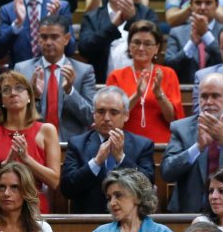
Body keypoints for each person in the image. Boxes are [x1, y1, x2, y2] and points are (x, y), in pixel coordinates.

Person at [161, 72, 223, 213]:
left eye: (215, 96)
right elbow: (167, 172)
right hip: (189, 212)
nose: (208, 102)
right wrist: (198, 147)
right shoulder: (181, 128)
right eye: (204, 96)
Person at [61, 86, 155, 215]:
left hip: (130, 219)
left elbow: (147, 186)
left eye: (114, 112)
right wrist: (96, 162)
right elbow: (67, 189)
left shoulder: (143, 145)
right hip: (88, 220)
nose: (106, 118)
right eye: (100, 111)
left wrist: (121, 158)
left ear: (126, 115)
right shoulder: (77, 144)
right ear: (93, 114)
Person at [0, 71, 60, 214]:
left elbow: (54, 181)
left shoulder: (46, 131)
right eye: (6, 90)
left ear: (29, 96)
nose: (13, 93)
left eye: (19, 88)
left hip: (33, 209)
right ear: (2, 101)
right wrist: (5, 165)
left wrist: (26, 159)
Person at [12, 16, 95, 143]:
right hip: (33, 143)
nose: (48, 42)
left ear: (66, 39)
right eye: (44, 37)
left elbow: (91, 117)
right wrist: (34, 97)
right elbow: (14, 115)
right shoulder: (22, 70)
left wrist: (70, 91)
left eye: (54, 37)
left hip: (71, 146)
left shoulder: (84, 71)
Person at [78, 0, 160, 84]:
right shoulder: (92, 17)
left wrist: (132, 20)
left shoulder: (146, 14)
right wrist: (112, 26)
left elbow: (155, 43)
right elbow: (85, 50)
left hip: (143, 84)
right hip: (103, 86)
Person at [106, 19, 183, 144]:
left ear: (157, 47)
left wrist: (159, 94)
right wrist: (136, 95)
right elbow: (112, 117)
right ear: (129, 45)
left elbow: (173, 119)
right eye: (136, 42)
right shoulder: (116, 76)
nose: (141, 48)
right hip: (125, 144)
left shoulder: (168, 74)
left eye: (147, 44)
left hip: (160, 144)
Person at [163, 0, 223, 84]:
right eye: (198, 2)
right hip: (185, 93)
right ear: (190, 5)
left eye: (208, 2)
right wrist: (191, 44)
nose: (203, 7)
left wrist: (206, 36)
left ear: (217, 4)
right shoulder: (176, 33)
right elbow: (169, 67)